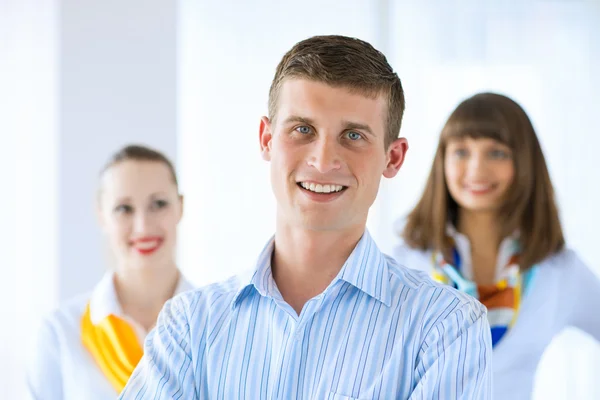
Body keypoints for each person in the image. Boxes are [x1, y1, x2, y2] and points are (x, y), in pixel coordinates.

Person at [120, 35, 492, 399]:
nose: (323, 160)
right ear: (266, 139)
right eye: (303, 129)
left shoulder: (446, 327)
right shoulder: (189, 327)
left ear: (393, 158)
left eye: (353, 135)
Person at [393, 92, 600, 399]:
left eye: (497, 153)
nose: (476, 169)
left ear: (525, 162)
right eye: (461, 152)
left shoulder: (560, 270)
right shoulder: (405, 261)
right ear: (443, 161)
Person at [26, 145, 194, 399]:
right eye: (124, 209)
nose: (143, 226)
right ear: (102, 216)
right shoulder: (61, 331)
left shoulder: (214, 323)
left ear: (180, 207)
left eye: (158, 204)